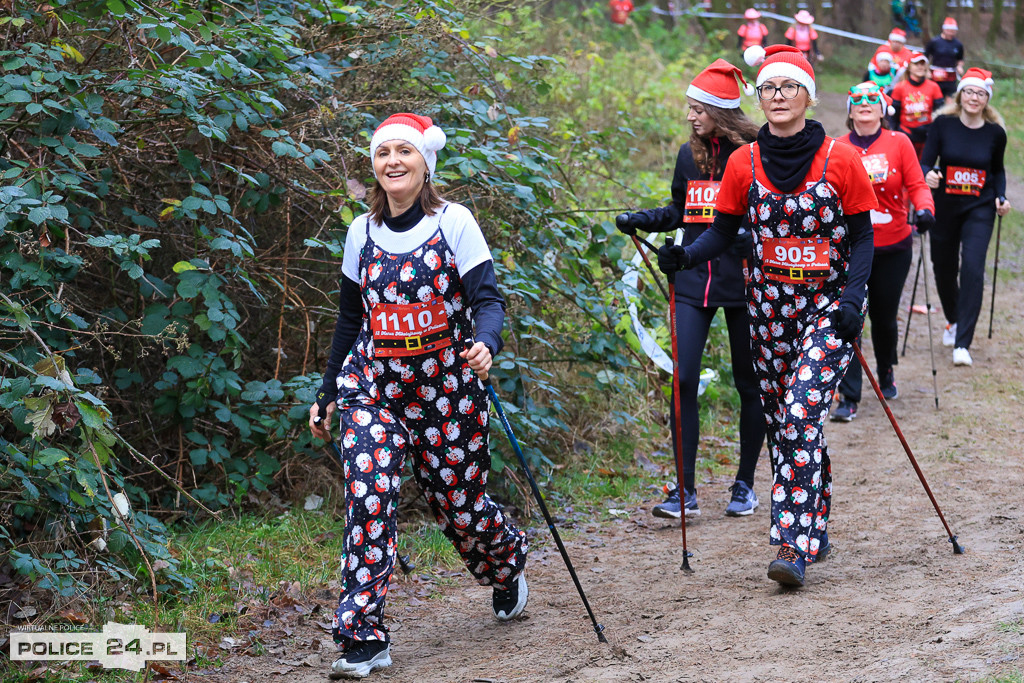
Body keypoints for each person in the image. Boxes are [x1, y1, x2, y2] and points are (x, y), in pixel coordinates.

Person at [309, 113, 529, 679]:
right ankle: (362, 637)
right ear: (374, 166)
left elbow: (488, 301)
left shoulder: (453, 222)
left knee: (460, 507)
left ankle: (504, 565)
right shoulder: (361, 232)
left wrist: (484, 343)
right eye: (384, 154)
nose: (393, 162)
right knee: (370, 496)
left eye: (405, 152)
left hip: (444, 390)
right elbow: (349, 319)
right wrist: (329, 389)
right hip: (374, 386)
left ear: (424, 162)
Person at [660, 45, 878, 587]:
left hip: (828, 308)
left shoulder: (840, 159)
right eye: (769, 89)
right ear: (759, 98)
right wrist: (686, 254)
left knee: (801, 414)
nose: (778, 97)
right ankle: (816, 521)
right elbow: (723, 231)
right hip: (768, 310)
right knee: (789, 423)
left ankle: (792, 544)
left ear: (808, 95)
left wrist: (852, 300)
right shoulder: (744, 161)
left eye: (788, 88)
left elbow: (863, 236)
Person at [615, 59, 765, 520]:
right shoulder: (688, 155)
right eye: (689, 108)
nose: (690, 116)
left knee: (748, 381)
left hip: (742, 279)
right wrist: (641, 219)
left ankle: (744, 484)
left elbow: (774, 215)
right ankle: (685, 491)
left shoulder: (758, 152)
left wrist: (752, 239)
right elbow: (682, 211)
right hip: (693, 278)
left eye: (698, 109)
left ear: (722, 110)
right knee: (682, 381)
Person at [831, 82, 935, 422]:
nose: (863, 104)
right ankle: (849, 395)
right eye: (856, 100)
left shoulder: (899, 142)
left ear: (882, 108)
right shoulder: (837, 147)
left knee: (884, 317)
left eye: (871, 99)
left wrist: (924, 208)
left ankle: (886, 367)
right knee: (851, 317)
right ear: (849, 109)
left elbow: (917, 184)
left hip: (892, 245)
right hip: (849, 249)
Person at [920, 68, 1011, 367]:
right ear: (961, 95)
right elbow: (925, 164)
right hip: (945, 205)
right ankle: (954, 320)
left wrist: (1001, 196)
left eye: (981, 93)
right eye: (970, 92)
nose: (974, 98)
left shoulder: (995, 133)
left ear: (987, 99)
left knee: (972, 268)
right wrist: (929, 175)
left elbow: (997, 170)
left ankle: (963, 343)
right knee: (943, 267)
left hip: (980, 207)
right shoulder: (943, 125)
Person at [890, 52, 945, 158]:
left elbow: (940, 113)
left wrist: (933, 131)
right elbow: (893, 115)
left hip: (926, 136)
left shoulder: (934, 87)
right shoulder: (899, 87)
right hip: (906, 134)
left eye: (922, 64)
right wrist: (897, 132)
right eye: (916, 64)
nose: (920, 67)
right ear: (909, 67)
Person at [925, 17, 965, 99]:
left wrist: (959, 66)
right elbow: (925, 57)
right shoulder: (934, 42)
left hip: (951, 76)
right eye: (949, 31)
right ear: (944, 29)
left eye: (953, 31)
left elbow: (960, 59)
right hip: (936, 75)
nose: (951, 33)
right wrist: (927, 70)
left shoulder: (958, 44)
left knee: (951, 98)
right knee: (936, 97)